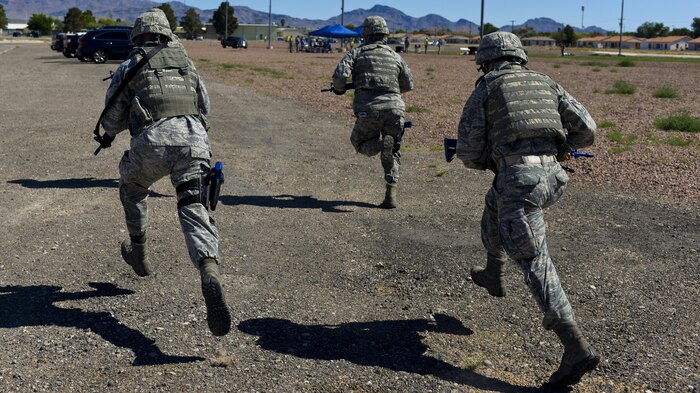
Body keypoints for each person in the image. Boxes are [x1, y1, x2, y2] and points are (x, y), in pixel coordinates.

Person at [455, 31, 599, 389]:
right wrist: (562, 147)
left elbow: (469, 151)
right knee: (494, 207)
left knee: (535, 259)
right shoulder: (546, 82)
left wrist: (495, 160)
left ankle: (574, 348)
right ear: (521, 58)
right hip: (553, 177)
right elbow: (588, 130)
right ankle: (492, 272)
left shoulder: (486, 88)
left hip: (521, 184)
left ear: (485, 61)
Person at [94, 8, 232, 337]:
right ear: (167, 34)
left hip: (152, 144)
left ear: (138, 36)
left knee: (132, 187)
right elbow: (205, 107)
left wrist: (120, 128)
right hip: (194, 142)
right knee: (194, 207)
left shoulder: (130, 66)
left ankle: (139, 253)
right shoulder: (187, 63)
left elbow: (111, 118)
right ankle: (208, 268)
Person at [331, 16, 414, 208]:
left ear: (365, 34)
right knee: (393, 150)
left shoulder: (357, 53)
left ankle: (378, 145)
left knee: (358, 143)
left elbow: (340, 75)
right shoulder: (395, 56)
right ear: (385, 34)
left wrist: (340, 88)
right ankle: (391, 193)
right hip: (395, 109)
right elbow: (408, 84)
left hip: (369, 110)